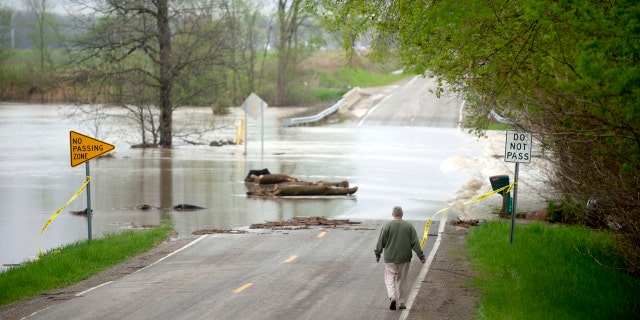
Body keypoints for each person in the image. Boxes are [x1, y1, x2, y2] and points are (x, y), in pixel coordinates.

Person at [374, 206, 426, 310]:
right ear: (402, 214)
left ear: (392, 214)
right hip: (404, 257)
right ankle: (402, 302)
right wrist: (421, 256)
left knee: (389, 278)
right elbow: (415, 242)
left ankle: (392, 297)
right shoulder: (408, 226)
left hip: (390, 258)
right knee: (402, 280)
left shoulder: (387, 226)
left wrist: (377, 254)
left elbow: (381, 241)